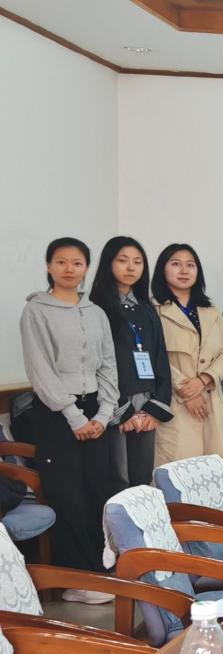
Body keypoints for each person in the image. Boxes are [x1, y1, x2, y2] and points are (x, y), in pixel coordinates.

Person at [20, 238, 119, 602]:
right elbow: (41, 370)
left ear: (86, 268)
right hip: (56, 412)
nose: (69, 269)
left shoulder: (95, 311)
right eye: (60, 262)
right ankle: (76, 580)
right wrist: (75, 418)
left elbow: (108, 364)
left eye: (77, 263)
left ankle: (100, 570)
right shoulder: (36, 310)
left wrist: (104, 414)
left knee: (97, 489)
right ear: (49, 266)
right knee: (68, 494)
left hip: (95, 410)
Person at [88, 236, 174, 490]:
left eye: (138, 262)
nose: (131, 267)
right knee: (118, 478)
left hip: (146, 404)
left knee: (142, 477)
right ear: (109, 264)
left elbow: (160, 358)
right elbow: (97, 364)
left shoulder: (147, 308)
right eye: (123, 260)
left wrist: (154, 409)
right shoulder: (97, 308)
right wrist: (121, 411)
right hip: (113, 402)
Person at [152, 243, 223, 476]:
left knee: (213, 474)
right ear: (163, 269)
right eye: (176, 264)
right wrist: (186, 390)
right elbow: (154, 356)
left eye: (190, 265)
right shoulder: (153, 309)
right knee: (178, 474)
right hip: (175, 402)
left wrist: (203, 380)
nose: (184, 270)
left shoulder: (210, 309)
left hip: (210, 400)